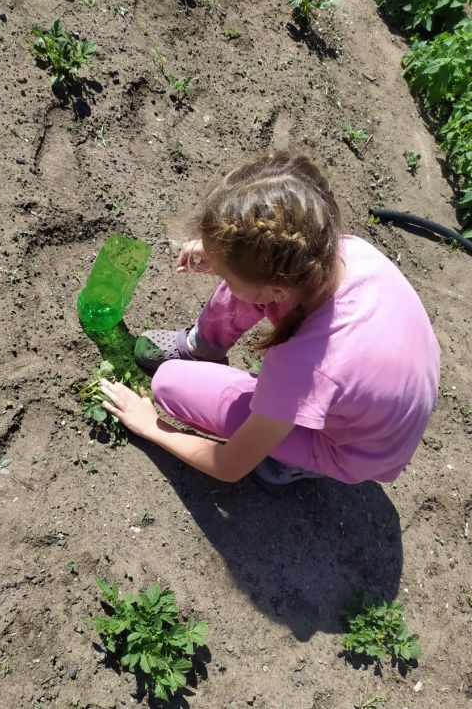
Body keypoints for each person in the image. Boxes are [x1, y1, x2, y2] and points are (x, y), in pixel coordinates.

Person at [99, 151, 440, 486]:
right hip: (380, 401)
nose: (218, 275)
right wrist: (222, 250)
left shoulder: (302, 366)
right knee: (246, 291)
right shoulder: (343, 250)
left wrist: (152, 426)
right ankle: (204, 348)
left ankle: (307, 461)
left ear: (277, 289)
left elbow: (228, 466)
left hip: (353, 450)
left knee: (168, 384)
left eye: (224, 274)